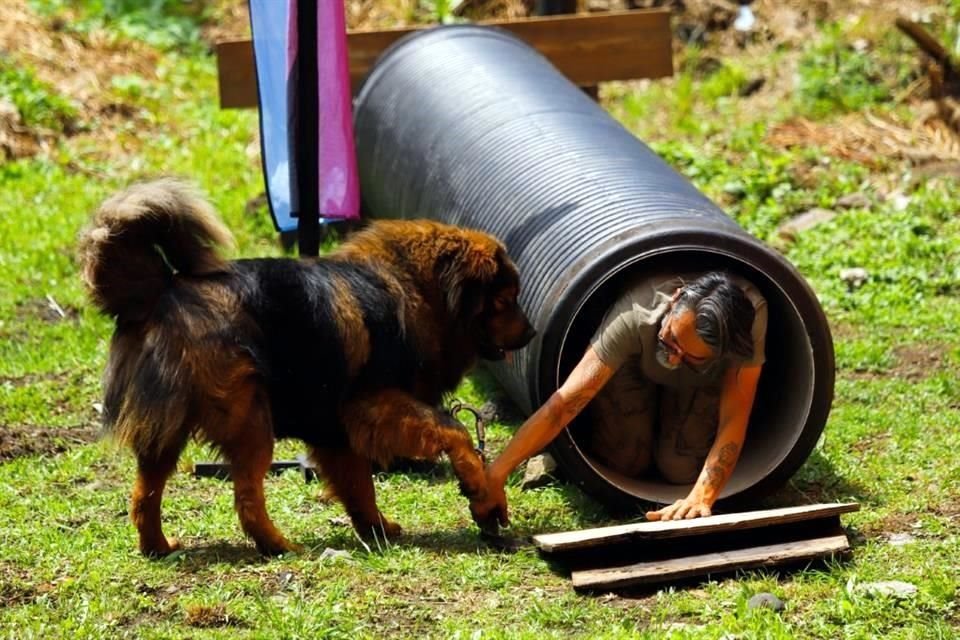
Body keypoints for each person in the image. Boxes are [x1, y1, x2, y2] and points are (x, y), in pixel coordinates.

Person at [474, 271, 766, 526]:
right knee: (624, 461)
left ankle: (677, 399)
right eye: (671, 341)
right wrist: (496, 474)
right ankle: (653, 399)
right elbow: (563, 404)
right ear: (675, 300)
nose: (675, 359)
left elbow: (734, 414)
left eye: (691, 356)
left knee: (680, 469)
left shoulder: (750, 320)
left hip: (699, 383)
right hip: (633, 364)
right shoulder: (635, 313)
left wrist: (701, 497)